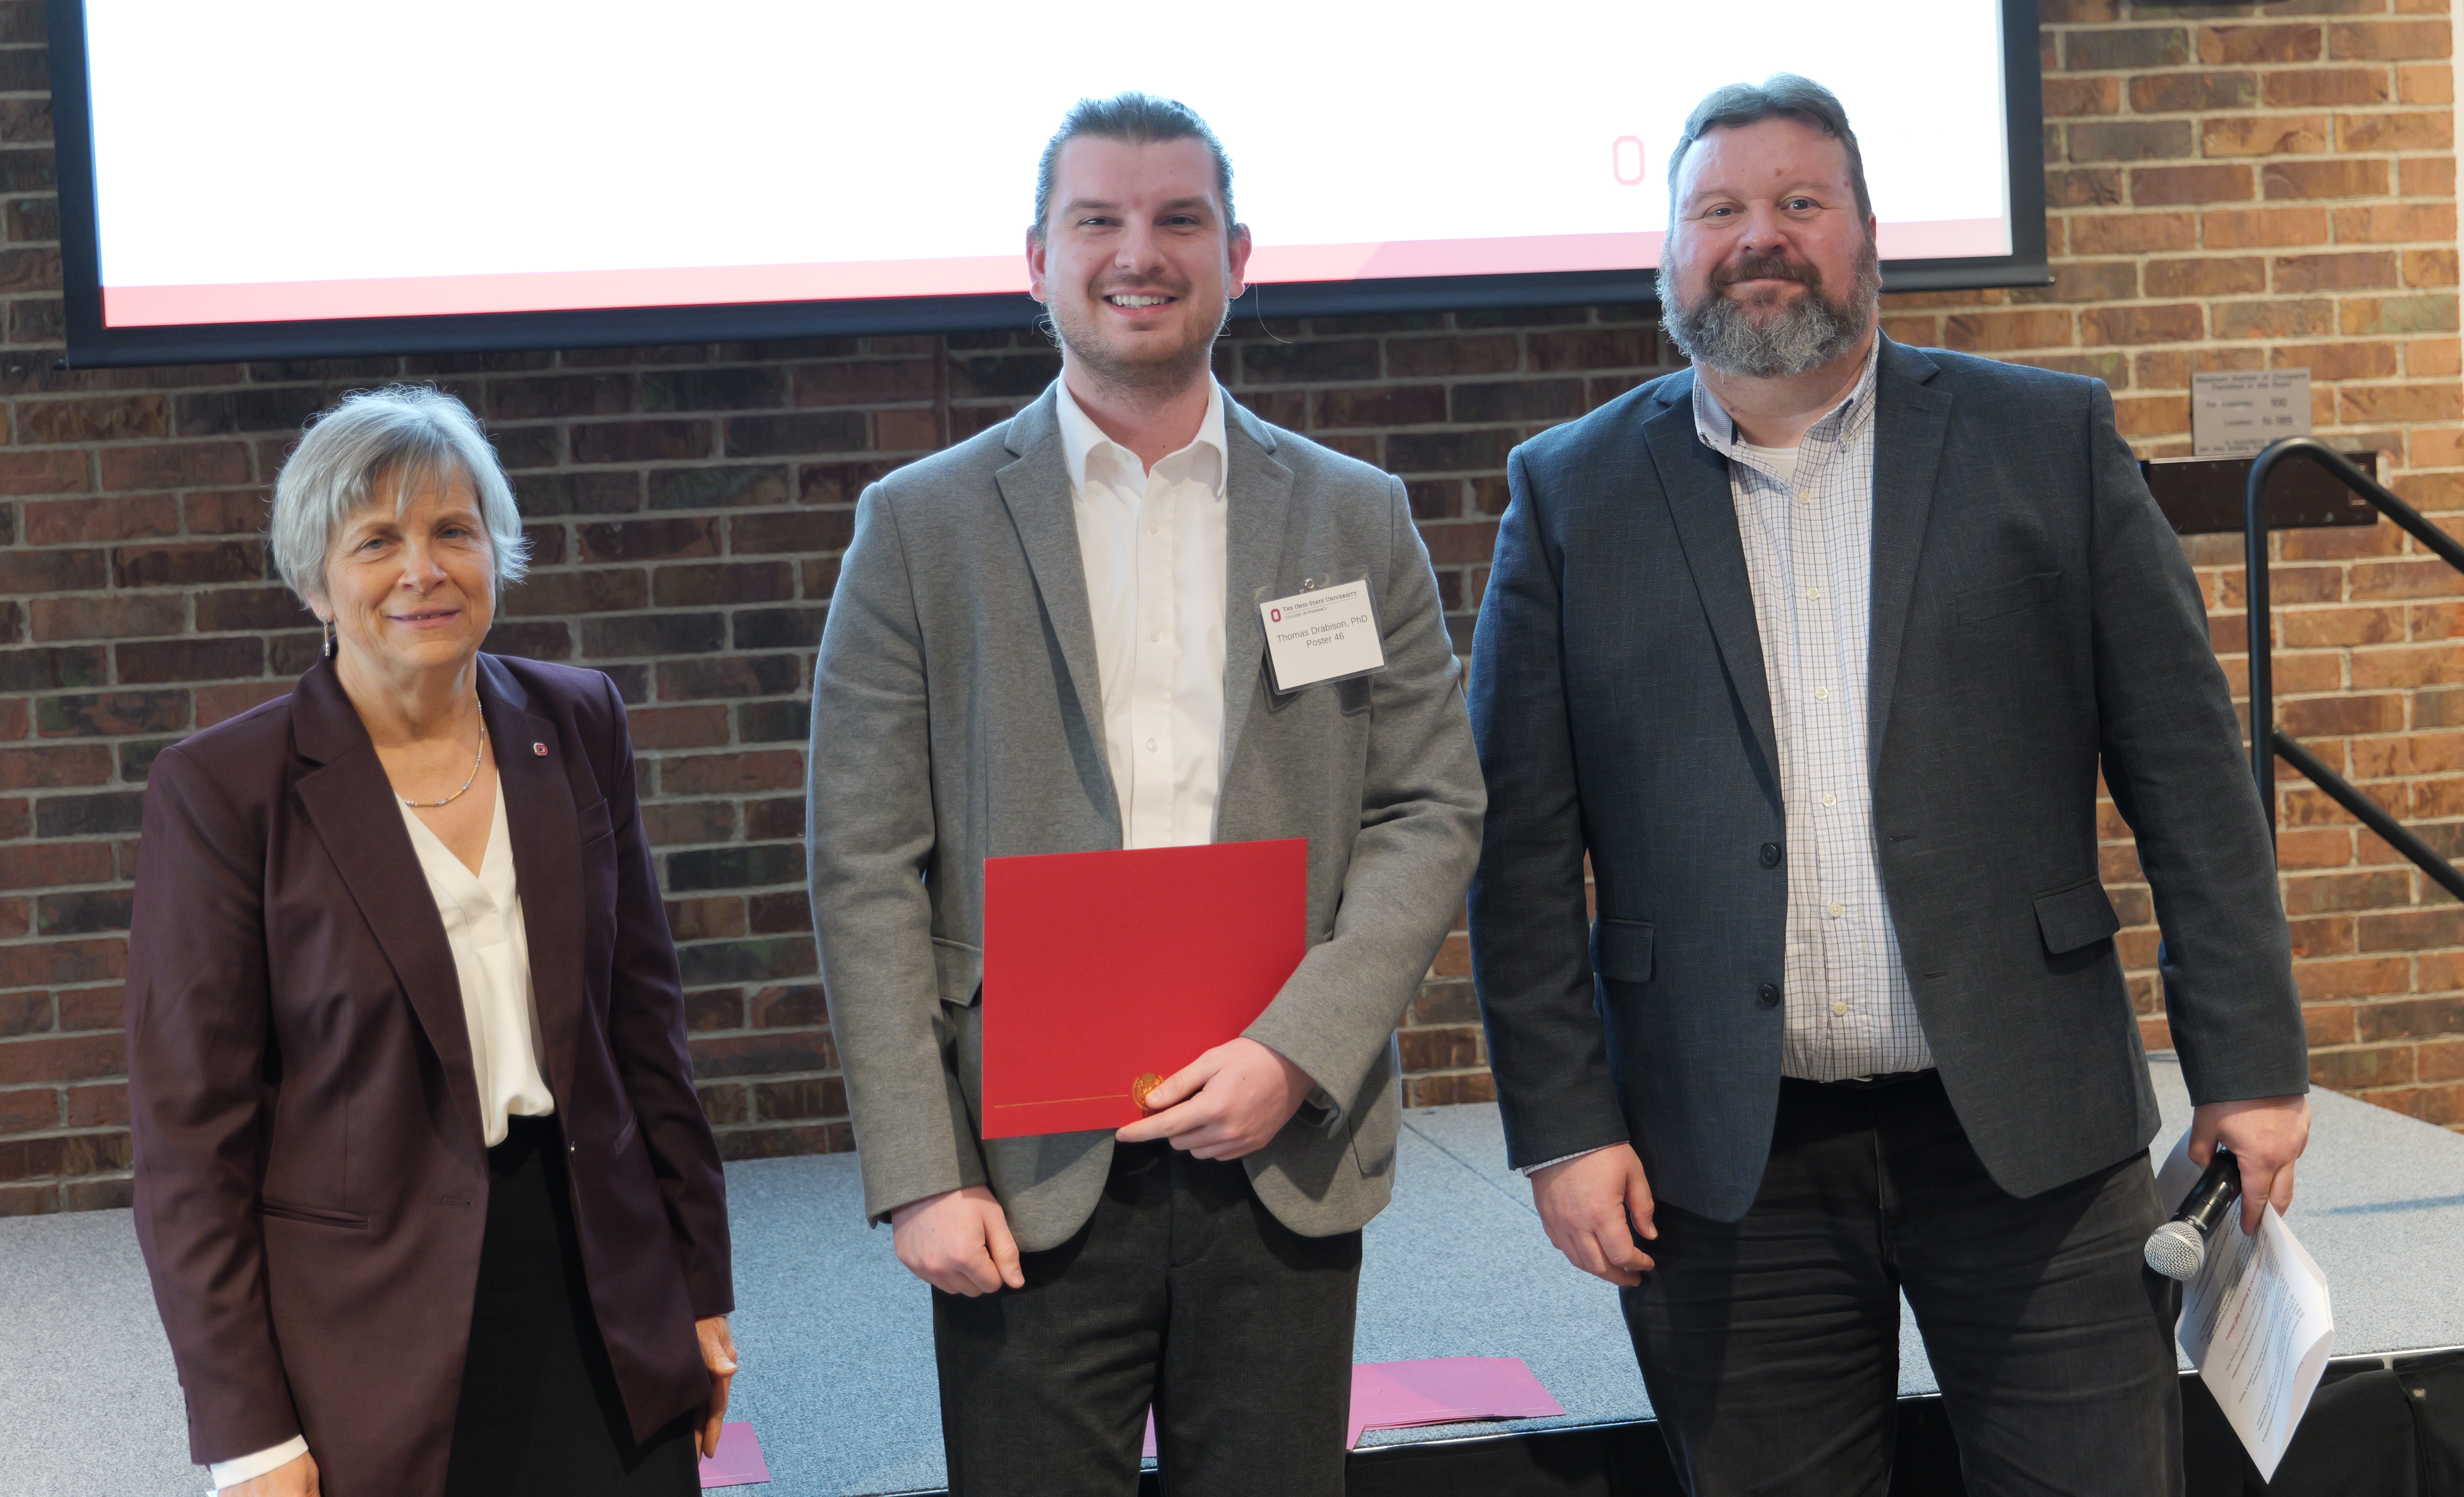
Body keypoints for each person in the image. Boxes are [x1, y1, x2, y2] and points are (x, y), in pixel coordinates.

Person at [1466, 75, 2310, 1495]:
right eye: (1719, 209)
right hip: (1724, 1160)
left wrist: (2250, 1066)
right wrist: (1565, 1125)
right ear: (1670, 253)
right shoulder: (1570, 495)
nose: (1760, 237)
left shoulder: (2045, 440)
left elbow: (2191, 779)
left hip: (2032, 1135)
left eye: (1802, 203)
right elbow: (1521, 854)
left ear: (1868, 235)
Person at [809, 92, 1484, 1497]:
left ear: (1238, 254)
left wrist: (1302, 1048)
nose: (1141, 252)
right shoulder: (921, 527)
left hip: (1282, 1145)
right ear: (1036, 259)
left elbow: (1430, 809)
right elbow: (865, 863)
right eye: (1098, 220)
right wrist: (920, 1171)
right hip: (1022, 1166)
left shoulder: (1353, 514)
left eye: (1180, 220)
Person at [128, 385, 738, 1497]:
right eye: (377, 542)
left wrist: (701, 1285)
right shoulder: (225, 791)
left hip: (606, 1289)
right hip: (371, 1330)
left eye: (455, 531)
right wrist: (248, 1433)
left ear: (497, 553)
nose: (424, 570)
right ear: (314, 580)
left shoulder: (579, 719)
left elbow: (647, 1034)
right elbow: (187, 1149)